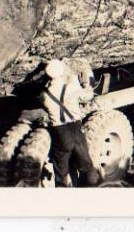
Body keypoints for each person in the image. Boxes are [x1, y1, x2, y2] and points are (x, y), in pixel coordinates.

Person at [41, 59, 99, 187]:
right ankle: (93, 189)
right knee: (87, 166)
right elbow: (88, 97)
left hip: (60, 133)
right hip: (75, 129)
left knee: (61, 172)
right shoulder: (71, 87)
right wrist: (86, 84)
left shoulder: (44, 95)